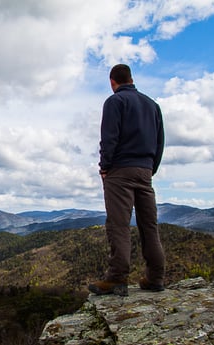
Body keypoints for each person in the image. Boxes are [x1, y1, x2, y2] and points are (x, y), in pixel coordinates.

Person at [89, 64, 165, 296]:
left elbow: (109, 137)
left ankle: (117, 278)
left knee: (119, 225)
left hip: (120, 171)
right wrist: (150, 169)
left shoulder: (115, 102)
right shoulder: (153, 105)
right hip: (145, 171)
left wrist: (105, 167)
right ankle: (155, 277)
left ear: (112, 81)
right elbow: (160, 141)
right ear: (131, 79)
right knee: (149, 226)